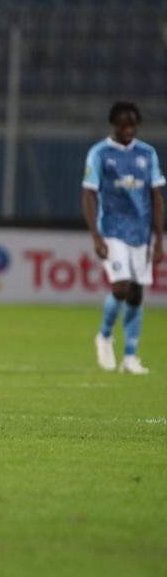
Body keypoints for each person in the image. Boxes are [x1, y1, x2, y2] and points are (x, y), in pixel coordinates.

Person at [84, 101, 164, 374]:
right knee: (121, 287)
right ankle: (104, 335)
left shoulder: (147, 154)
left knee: (136, 294)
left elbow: (156, 197)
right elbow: (89, 194)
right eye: (124, 124)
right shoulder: (100, 153)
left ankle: (130, 357)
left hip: (141, 233)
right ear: (114, 124)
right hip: (112, 229)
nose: (129, 129)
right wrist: (96, 237)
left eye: (133, 124)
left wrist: (159, 240)